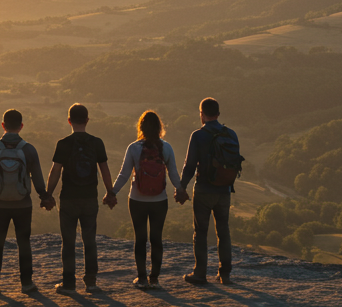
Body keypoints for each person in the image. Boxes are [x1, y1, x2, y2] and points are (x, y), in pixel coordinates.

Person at [0, 109, 53, 295]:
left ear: (3, 125)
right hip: (23, 204)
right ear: (21, 126)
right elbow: (38, 178)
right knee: (23, 243)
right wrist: (44, 197)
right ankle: (27, 284)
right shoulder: (28, 149)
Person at [44, 103, 116, 293]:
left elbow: (55, 171)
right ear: (87, 120)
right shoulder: (96, 142)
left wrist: (48, 194)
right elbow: (105, 170)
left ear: (69, 121)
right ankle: (91, 282)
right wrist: (110, 192)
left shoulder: (63, 143)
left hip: (68, 199)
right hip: (90, 198)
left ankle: (68, 284)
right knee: (89, 240)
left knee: (68, 242)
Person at [111, 110, 182, 290]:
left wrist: (112, 192)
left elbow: (124, 174)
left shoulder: (134, 148)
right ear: (160, 128)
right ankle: (155, 278)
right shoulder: (166, 148)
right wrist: (180, 190)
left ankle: (142, 277)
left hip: (137, 200)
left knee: (140, 238)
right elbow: (173, 173)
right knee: (156, 238)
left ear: (140, 127)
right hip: (160, 201)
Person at [178, 97, 244, 285]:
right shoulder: (231, 134)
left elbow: (190, 166)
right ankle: (225, 274)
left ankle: (200, 274)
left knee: (200, 231)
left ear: (202, 114)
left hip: (204, 190)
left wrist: (181, 187)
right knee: (223, 230)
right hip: (224, 190)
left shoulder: (198, 135)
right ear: (218, 114)